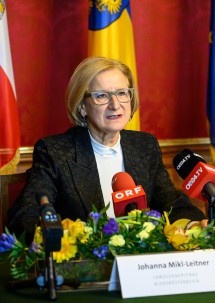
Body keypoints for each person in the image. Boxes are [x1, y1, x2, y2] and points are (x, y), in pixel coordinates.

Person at [7, 56, 207, 242]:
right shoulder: (55, 151)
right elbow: (25, 217)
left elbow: (171, 204)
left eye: (121, 93)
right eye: (102, 96)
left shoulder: (144, 146)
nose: (115, 104)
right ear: (82, 107)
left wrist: (193, 224)